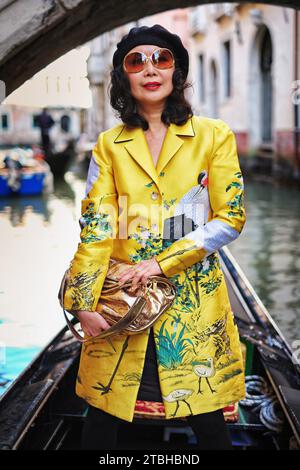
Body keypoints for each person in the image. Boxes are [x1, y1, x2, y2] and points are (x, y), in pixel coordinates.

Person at [62, 24, 246, 450]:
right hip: (121, 300)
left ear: (176, 71)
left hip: (193, 300)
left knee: (206, 413)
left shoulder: (214, 135)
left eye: (161, 59)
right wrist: (83, 305)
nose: (150, 68)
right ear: (123, 75)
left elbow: (231, 217)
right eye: (136, 60)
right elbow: (97, 227)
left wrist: (160, 264)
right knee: (104, 412)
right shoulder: (108, 146)